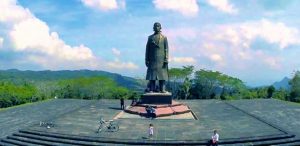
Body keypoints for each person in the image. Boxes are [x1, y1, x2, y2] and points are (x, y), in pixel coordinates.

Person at [145, 22, 169, 93]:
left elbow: (166, 49)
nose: (156, 27)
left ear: (160, 27)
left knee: (162, 75)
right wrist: (146, 59)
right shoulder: (150, 38)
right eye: (155, 26)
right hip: (152, 60)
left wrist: (166, 58)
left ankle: (162, 89)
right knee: (152, 76)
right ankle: (152, 89)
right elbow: (147, 49)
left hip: (162, 60)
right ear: (153, 28)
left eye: (158, 26)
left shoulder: (164, 38)